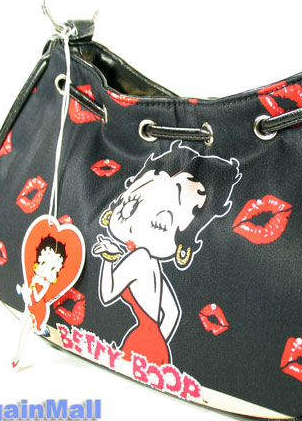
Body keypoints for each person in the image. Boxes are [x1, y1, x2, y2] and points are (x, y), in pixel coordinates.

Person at [92, 141, 241, 365]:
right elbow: (172, 315)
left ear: (183, 243)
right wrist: (157, 343)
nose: (135, 224)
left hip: (139, 344)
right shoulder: (150, 264)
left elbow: (107, 294)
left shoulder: (140, 258)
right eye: (130, 205)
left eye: (160, 224)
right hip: (154, 347)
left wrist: (108, 257)